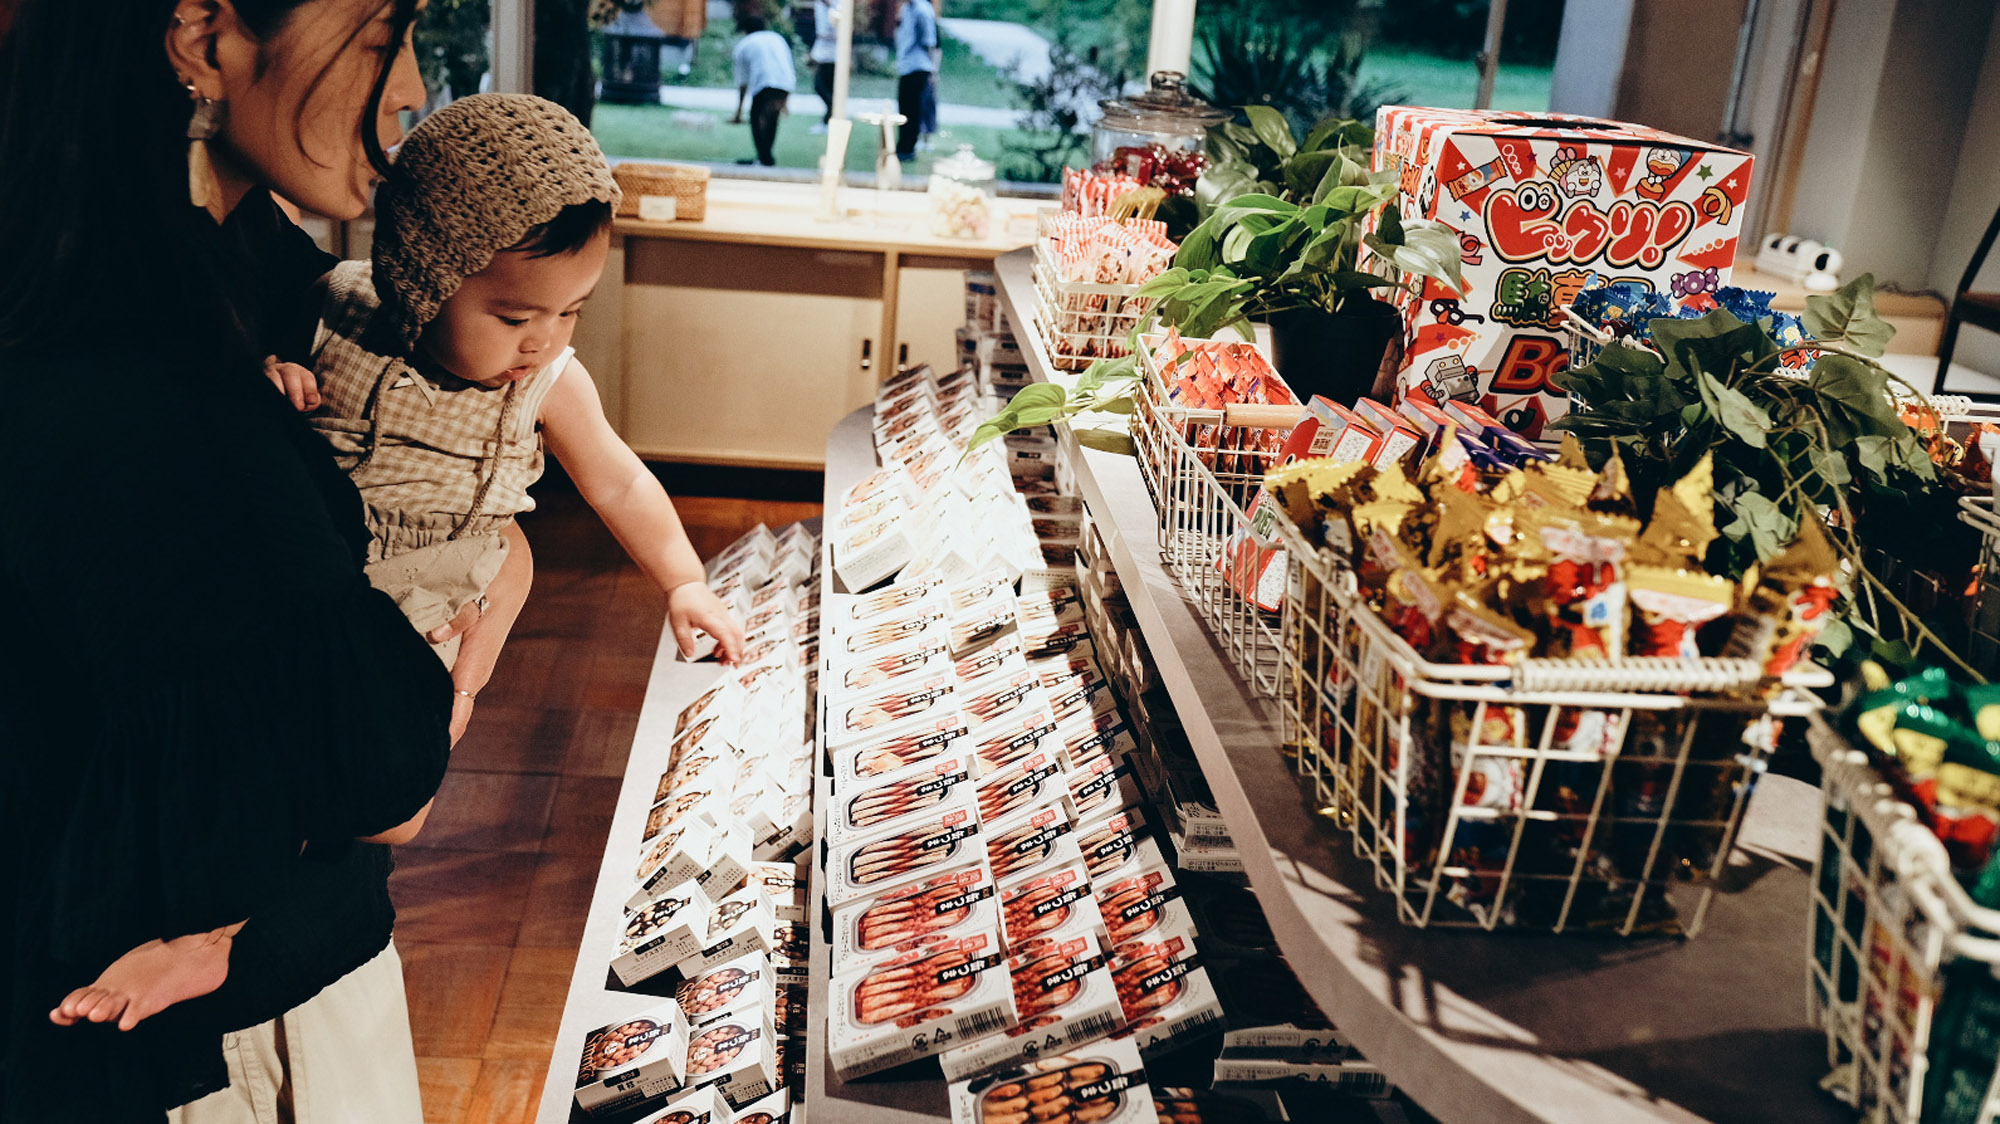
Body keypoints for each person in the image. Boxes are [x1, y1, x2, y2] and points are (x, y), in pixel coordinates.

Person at [45, 93, 749, 1038]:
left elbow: (618, 480)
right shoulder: (333, 313)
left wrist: (683, 579)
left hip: (429, 602)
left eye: (571, 311)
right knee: (261, 761)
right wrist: (274, 378)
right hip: (317, 590)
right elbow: (235, 409)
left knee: (359, 775)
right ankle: (214, 917)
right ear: (423, 277)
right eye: (510, 313)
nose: (541, 338)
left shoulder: (548, 381)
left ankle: (220, 928)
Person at [0, 1, 523, 1120]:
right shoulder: (139, 376)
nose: (407, 93)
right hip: (134, 1038)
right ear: (202, 38)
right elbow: (384, 780)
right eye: (383, 36)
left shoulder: (233, 272)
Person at [730, 14, 795, 167]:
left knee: (757, 117)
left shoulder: (744, 45)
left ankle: (764, 157)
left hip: (764, 82)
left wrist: (738, 111)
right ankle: (765, 157)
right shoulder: (776, 38)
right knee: (772, 117)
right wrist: (786, 100)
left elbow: (743, 82)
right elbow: (786, 64)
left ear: (745, 30)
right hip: (785, 81)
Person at [894, 0, 937, 161]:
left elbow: (930, 42)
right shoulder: (907, 9)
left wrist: (933, 71)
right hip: (906, 65)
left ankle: (907, 149)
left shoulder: (923, 10)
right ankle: (902, 146)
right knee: (903, 108)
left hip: (919, 66)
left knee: (912, 111)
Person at [809, 0, 839, 133]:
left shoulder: (837, 5)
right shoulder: (819, 4)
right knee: (821, 86)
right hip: (822, 47)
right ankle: (830, 117)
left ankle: (831, 117)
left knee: (824, 86)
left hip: (833, 51)